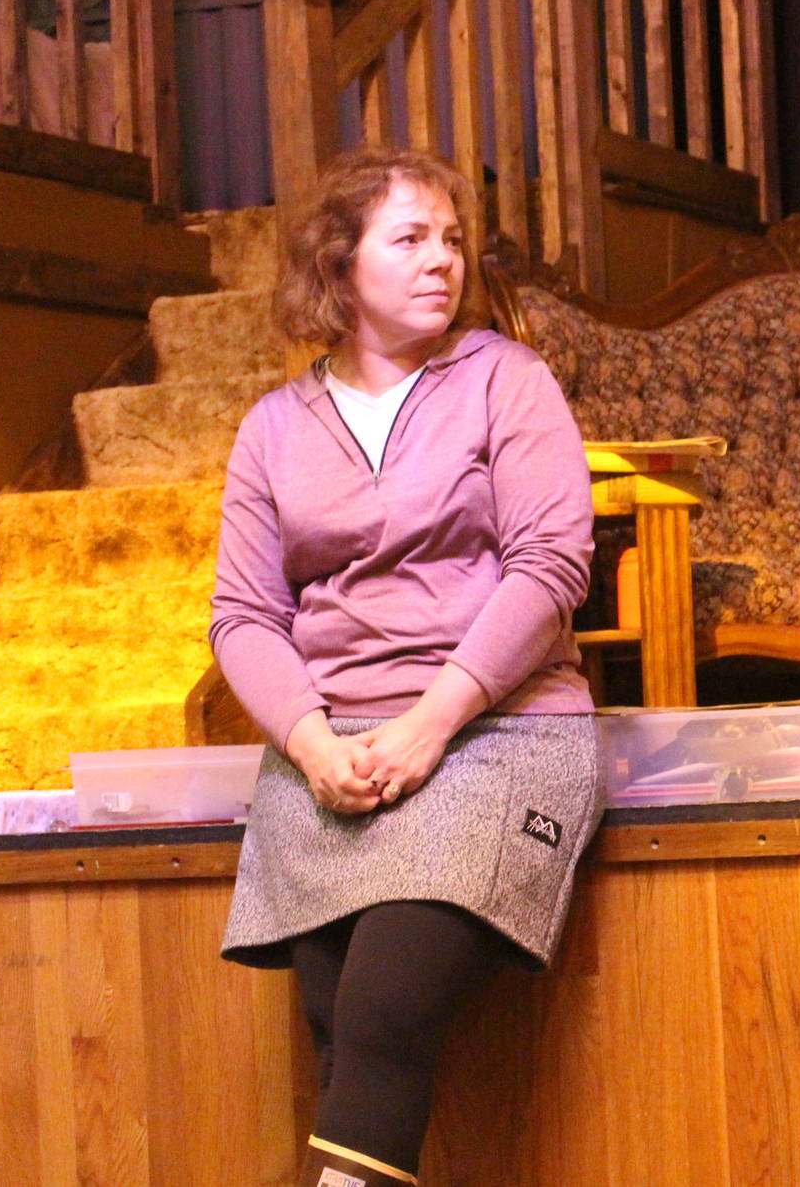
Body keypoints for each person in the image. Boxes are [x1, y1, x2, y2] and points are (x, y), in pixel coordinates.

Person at [212, 148, 602, 1186]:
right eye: (410, 238)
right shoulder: (270, 429)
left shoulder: (504, 382)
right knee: (337, 1025)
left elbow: (552, 564)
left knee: (384, 1010)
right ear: (339, 268)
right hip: (332, 752)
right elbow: (245, 617)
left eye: (452, 239)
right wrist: (312, 742)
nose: (443, 260)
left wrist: (429, 725)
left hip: (497, 735)